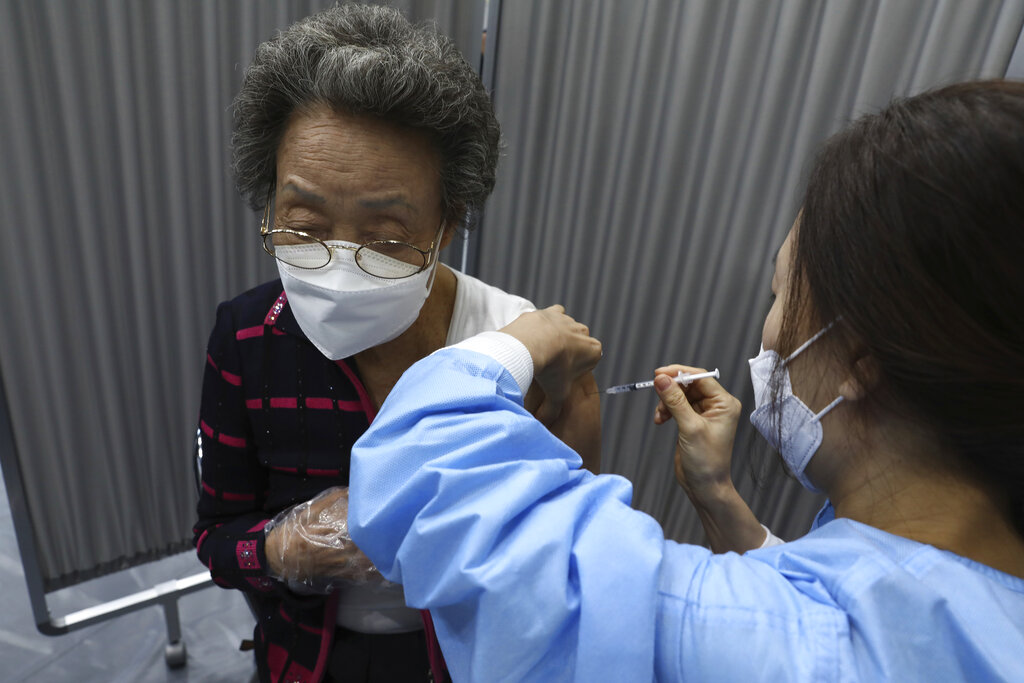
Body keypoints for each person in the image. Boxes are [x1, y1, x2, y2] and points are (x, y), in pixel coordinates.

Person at [347, 80, 1024, 681]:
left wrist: (523, 340)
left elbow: (417, 462)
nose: (769, 330)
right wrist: (723, 500)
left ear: (859, 360)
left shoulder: (715, 636)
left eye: (779, 292)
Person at [192, 5, 600, 683]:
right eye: (303, 223)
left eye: (384, 239)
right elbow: (216, 536)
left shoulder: (508, 337)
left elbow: (561, 538)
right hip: (306, 656)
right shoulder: (245, 339)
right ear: (268, 204)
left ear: (448, 223)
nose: (339, 265)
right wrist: (282, 549)